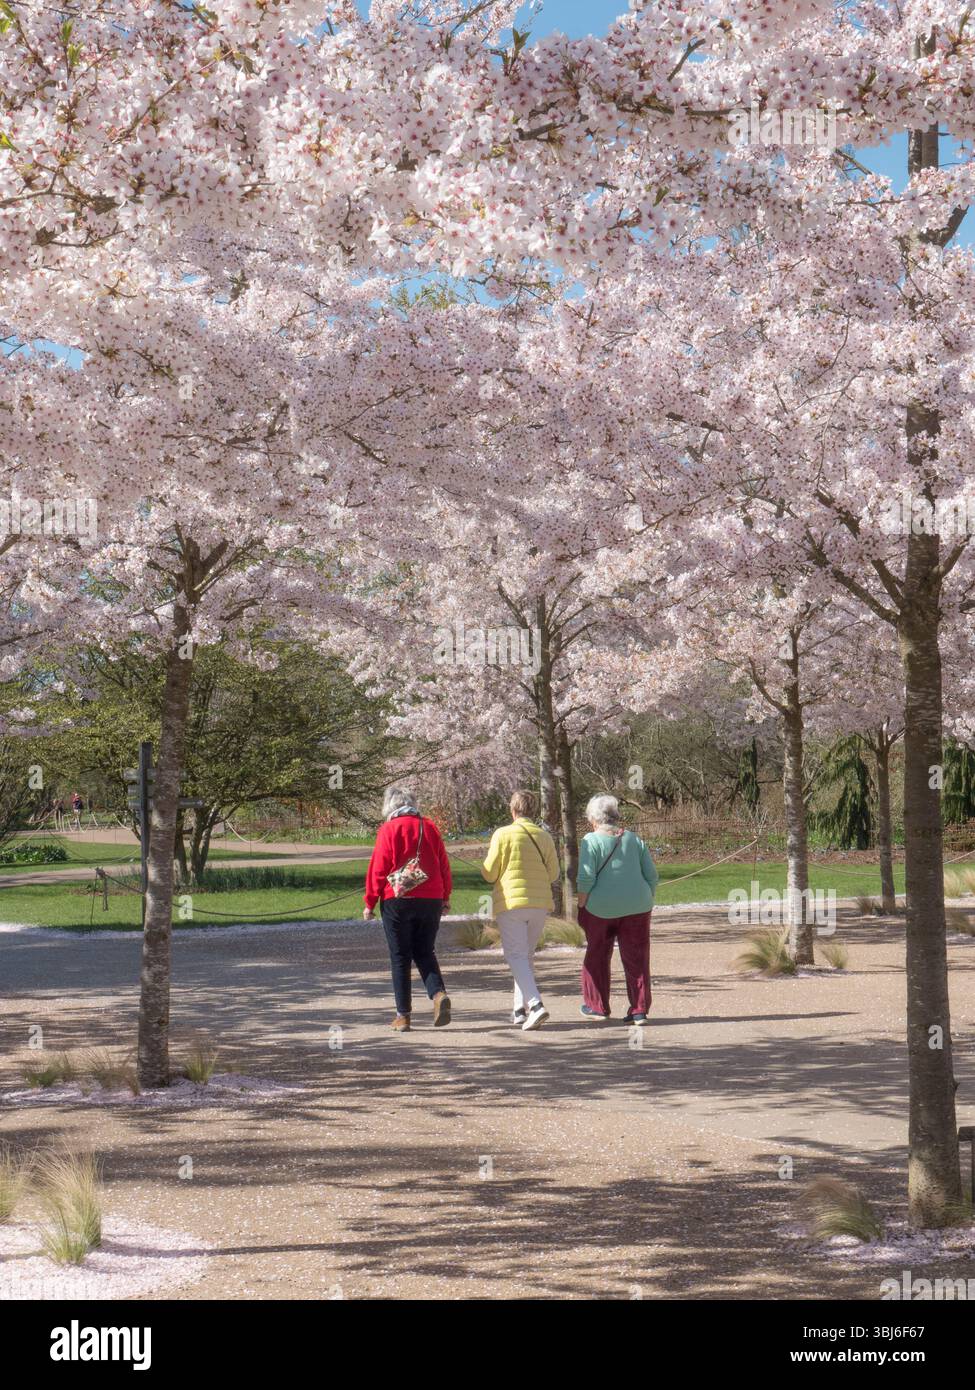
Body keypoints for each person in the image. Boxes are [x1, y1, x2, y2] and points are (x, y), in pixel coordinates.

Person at [363, 786, 452, 1032]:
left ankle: (403, 1016)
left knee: (400, 956)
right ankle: (437, 995)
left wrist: (369, 902)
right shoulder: (430, 827)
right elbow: (443, 864)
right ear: (412, 804)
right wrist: (445, 897)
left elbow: (378, 869)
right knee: (425, 951)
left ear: (389, 806)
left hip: (397, 898)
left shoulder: (388, 829)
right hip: (431, 897)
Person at [481, 789, 561, 1031]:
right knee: (524, 956)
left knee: (515, 956)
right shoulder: (545, 837)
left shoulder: (503, 834)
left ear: (512, 809)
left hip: (511, 903)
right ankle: (519, 1009)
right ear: (533, 810)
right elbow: (554, 874)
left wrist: (485, 868)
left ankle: (535, 1006)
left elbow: (490, 873)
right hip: (539, 903)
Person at [576, 794, 658, 1025]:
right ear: (616, 816)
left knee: (597, 955)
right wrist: (644, 897)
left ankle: (597, 1007)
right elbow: (652, 876)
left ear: (594, 818)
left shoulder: (590, 841)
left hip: (600, 907)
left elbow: (585, 879)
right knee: (637, 957)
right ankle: (639, 1009)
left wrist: (581, 904)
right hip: (638, 907)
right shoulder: (633, 839)